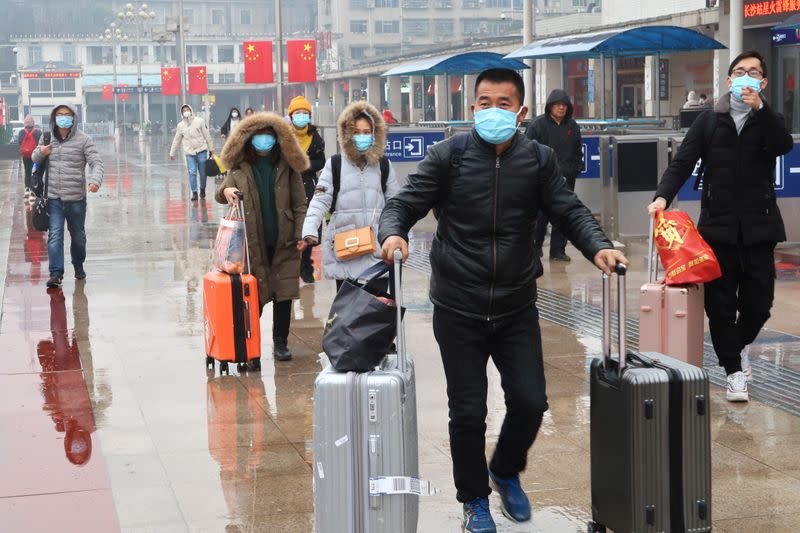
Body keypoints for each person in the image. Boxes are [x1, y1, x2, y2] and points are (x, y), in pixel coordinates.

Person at [378, 68, 627, 533]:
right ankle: (474, 500)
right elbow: (403, 204)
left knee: (532, 402)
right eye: (485, 102)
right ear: (472, 108)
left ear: (521, 112)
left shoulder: (538, 158)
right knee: (468, 412)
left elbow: (568, 210)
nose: (493, 111)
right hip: (458, 307)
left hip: (515, 305)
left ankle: (505, 469)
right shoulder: (447, 156)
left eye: (504, 103)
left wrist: (598, 245)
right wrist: (392, 233)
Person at [648, 50, 793, 403]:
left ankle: (737, 346)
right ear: (728, 80)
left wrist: (760, 109)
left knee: (760, 305)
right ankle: (733, 372)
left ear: (763, 82)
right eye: (740, 71)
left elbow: (783, 145)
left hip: (760, 227)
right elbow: (682, 162)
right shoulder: (710, 120)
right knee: (721, 306)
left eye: (754, 72)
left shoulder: (768, 118)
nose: (746, 76)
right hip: (717, 229)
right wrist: (662, 197)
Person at [216, 112, 309, 362]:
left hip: (285, 240)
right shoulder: (240, 168)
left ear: (278, 138)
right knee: (252, 297)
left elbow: (300, 203)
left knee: (284, 294)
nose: (264, 140)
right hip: (252, 243)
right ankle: (248, 343)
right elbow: (218, 193)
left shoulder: (288, 167)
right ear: (249, 139)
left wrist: (302, 233)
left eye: (269, 135)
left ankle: (280, 342)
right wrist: (227, 190)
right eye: (259, 135)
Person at [302, 102, 399, 291]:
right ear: (347, 134)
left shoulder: (383, 165)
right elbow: (320, 200)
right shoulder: (335, 164)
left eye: (366, 132)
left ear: (374, 134)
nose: (362, 136)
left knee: (376, 314)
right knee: (348, 316)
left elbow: (397, 205)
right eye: (356, 132)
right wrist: (309, 229)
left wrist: (403, 239)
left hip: (377, 254)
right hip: (346, 251)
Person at [33, 104, 104, 289]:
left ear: (74, 118)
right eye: (59, 115)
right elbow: (34, 157)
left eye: (67, 115)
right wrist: (42, 152)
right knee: (55, 235)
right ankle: (56, 273)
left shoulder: (84, 140)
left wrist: (95, 181)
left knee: (78, 237)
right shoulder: (47, 138)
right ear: (54, 118)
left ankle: (78, 263)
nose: (63, 118)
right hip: (54, 198)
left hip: (76, 199)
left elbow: (96, 162)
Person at [525, 89, 584, 262]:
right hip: (542, 179)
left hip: (566, 178)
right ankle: (535, 247)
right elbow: (528, 151)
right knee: (540, 216)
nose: (561, 108)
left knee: (562, 214)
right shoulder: (537, 125)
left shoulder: (572, 126)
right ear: (550, 106)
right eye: (557, 105)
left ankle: (558, 250)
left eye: (564, 105)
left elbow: (578, 151)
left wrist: (575, 169)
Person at [287, 95, 326, 284]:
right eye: (297, 113)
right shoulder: (284, 135)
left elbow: (321, 161)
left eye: (305, 113)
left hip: (308, 183)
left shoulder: (315, 137)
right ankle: (292, 264)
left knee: (309, 222)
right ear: (291, 115)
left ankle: (305, 264)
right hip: (287, 184)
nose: (301, 116)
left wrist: (306, 165)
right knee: (290, 223)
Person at [169, 104, 214, 202]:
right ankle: (194, 192)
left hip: (201, 150)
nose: (186, 111)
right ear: (182, 113)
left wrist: (211, 149)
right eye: (184, 110)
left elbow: (207, 135)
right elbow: (177, 139)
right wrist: (172, 152)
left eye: (187, 109)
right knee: (192, 172)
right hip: (189, 153)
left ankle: (202, 189)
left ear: (191, 110)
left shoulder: (199, 121)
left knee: (202, 173)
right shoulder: (180, 126)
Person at [17, 115, 41, 199]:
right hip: (35, 156)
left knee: (27, 172)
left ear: (25, 123)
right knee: (35, 173)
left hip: (25, 155)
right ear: (33, 123)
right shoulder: (38, 132)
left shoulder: (21, 132)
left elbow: (20, 142)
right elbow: (40, 144)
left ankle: (27, 190)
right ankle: (33, 190)